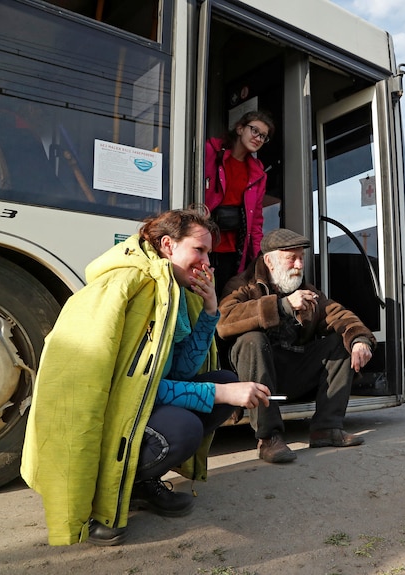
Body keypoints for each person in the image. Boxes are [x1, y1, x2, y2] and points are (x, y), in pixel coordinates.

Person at [20, 207, 271, 547]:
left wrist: (210, 312)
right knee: (189, 424)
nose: (207, 263)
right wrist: (217, 394)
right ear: (168, 245)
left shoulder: (177, 292)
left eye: (209, 253)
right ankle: (97, 501)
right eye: (199, 250)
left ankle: (137, 486)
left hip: (134, 405)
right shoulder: (133, 287)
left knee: (225, 380)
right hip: (108, 416)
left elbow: (177, 371)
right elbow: (131, 388)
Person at [216, 228, 376, 463]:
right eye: (292, 258)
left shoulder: (308, 292)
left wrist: (359, 340)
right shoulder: (242, 286)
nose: (299, 265)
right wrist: (282, 306)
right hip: (254, 376)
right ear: (269, 261)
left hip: (290, 372)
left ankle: (327, 428)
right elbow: (224, 321)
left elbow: (339, 316)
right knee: (252, 340)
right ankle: (268, 438)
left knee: (341, 344)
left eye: (301, 257)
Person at [205, 110, 275, 296]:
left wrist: (259, 258)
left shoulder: (258, 174)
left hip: (233, 250)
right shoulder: (211, 151)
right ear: (239, 128)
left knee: (224, 300)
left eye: (263, 136)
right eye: (255, 131)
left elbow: (256, 221)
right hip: (203, 241)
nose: (258, 138)